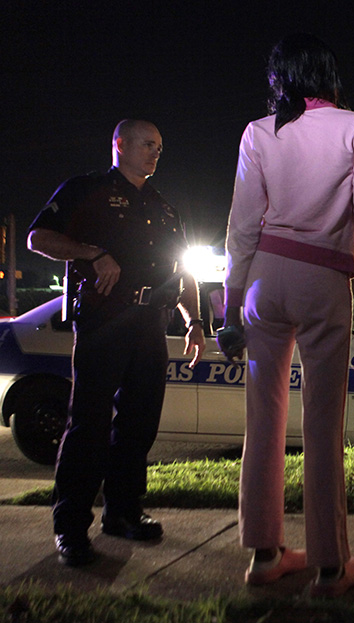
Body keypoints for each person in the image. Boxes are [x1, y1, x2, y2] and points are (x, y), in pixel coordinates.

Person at [220, 33, 354, 597]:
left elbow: (241, 225)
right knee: (323, 424)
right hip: (323, 280)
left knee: (262, 420)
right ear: (328, 74)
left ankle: (264, 555)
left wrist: (230, 303)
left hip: (264, 280)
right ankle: (329, 566)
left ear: (281, 78)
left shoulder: (258, 132)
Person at [27, 119, 205, 567]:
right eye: (147, 144)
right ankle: (71, 526)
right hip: (104, 321)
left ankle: (122, 512)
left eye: (160, 147)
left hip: (150, 323)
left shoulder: (164, 207)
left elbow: (183, 270)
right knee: (88, 425)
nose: (155, 153)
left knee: (139, 424)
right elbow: (38, 238)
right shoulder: (85, 190)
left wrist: (195, 321)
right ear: (120, 144)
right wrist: (93, 253)